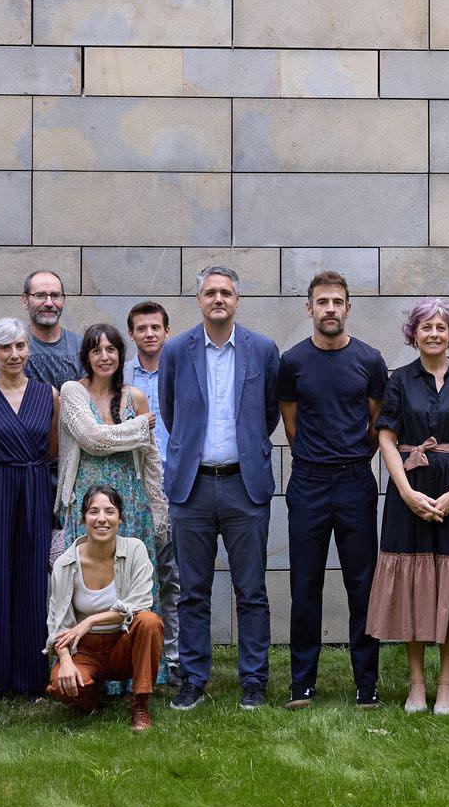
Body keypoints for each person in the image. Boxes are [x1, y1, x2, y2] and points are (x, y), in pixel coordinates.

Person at [158, 266, 280, 711]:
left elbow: (268, 414)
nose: (218, 299)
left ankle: (253, 680)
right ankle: (192, 677)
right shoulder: (176, 350)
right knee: (193, 591)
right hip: (191, 488)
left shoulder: (263, 350)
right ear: (199, 300)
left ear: (237, 300)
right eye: (210, 292)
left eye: (226, 292)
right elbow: (172, 413)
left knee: (252, 591)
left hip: (243, 487)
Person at [367, 298, 449, 715]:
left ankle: (446, 684)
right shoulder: (399, 379)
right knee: (413, 584)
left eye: (441, 326)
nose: (434, 333)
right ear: (414, 333)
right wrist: (404, 491)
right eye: (426, 327)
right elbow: (386, 437)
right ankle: (417, 683)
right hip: (410, 488)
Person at [278, 271, 388, 710]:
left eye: (337, 302)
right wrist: (316, 458)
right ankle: (302, 684)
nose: (329, 309)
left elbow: (375, 421)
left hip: (355, 481)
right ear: (309, 308)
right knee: (304, 585)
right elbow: (291, 424)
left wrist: (349, 456)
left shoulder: (370, 360)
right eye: (321, 302)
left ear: (348, 308)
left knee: (363, 584)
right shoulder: (292, 362)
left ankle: (367, 685)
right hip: (308, 482)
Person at [0, 317, 59, 696]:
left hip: (35, 485)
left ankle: (31, 675)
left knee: (33, 576)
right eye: (6, 348)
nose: (15, 354)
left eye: (20, 346)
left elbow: (52, 449)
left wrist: (31, 474)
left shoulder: (47, 393)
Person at [46, 484, 165, 730]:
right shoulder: (66, 564)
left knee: (150, 621)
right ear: (83, 518)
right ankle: (90, 697)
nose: (102, 519)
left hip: (123, 644)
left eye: (110, 511)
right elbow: (58, 624)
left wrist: (90, 620)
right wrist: (66, 660)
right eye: (93, 511)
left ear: (120, 518)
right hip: (85, 649)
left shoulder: (135, 550)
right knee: (60, 684)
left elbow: (141, 603)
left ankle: (140, 704)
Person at [53, 323, 165, 572]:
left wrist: (158, 510)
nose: (104, 357)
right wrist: (138, 427)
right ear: (86, 357)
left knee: (131, 581)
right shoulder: (73, 391)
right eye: (96, 350)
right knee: (86, 580)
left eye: (111, 349)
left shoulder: (135, 397)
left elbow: (151, 460)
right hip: (86, 501)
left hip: (131, 503)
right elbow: (94, 440)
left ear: (120, 355)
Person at [125, 300, 181, 682]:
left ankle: (174, 658)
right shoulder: (120, 378)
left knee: (172, 575)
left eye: (155, 327)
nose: (149, 333)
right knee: (132, 575)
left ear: (166, 331)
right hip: (133, 489)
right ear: (131, 334)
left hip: (176, 486)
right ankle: (132, 656)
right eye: (141, 328)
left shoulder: (181, 371)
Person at [22, 270, 84, 387]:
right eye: (40, 295)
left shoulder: (81, 347)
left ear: (63, 300)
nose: (49, 303)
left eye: (55, 296)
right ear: (25, 301)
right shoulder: (10, 347)